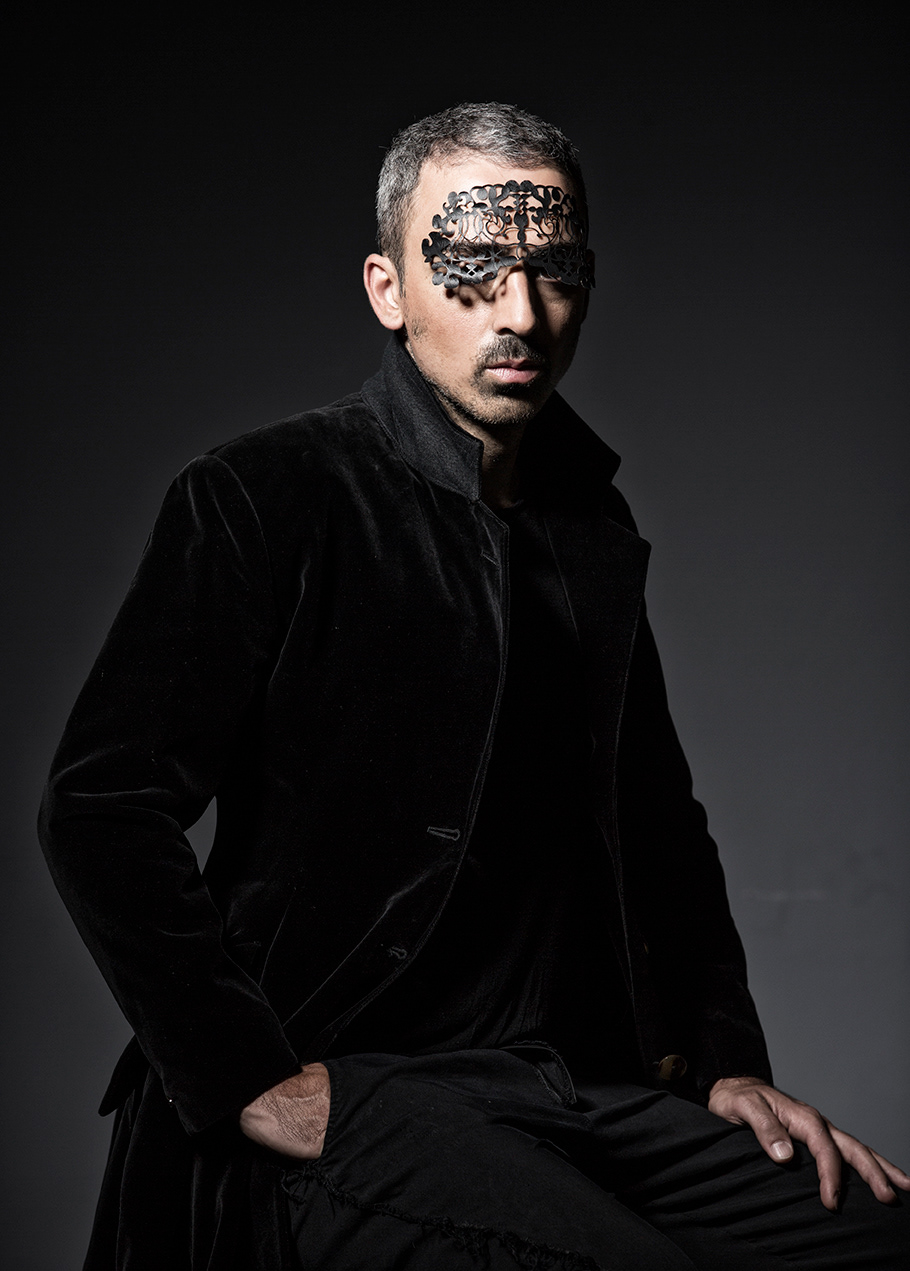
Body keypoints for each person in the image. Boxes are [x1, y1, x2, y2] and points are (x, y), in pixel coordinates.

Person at [40, 101, 908, 1270]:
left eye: (553, 269)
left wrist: (724, 1060)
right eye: (472, 265)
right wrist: (243, 1073)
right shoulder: (264, 495)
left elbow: (657, 826)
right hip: (356, 1085)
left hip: (578, 1088)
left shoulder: (588, 526)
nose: (520, 311)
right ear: (388, 288)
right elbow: (99, 806)